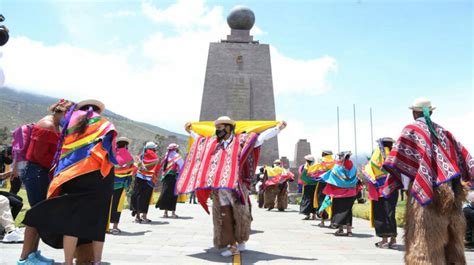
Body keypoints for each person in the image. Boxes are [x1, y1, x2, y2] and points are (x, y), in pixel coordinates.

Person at [19, 99, 117, 265]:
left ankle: (43, 256)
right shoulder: (49, 125)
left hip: (63, 174)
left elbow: (61, 152)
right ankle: (25, 257)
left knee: (53, 216)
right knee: (39, 214)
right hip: (42, 173)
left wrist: (64, 171)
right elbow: (41, 156)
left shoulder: (67, 125)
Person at [177, 117, 286, 257]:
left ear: (228, 128)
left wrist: (278, 129)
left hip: (236, 187)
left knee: (240, 215)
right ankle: (233, 244)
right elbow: (200, 140)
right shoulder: (213, 143)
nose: (218, 130)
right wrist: (190, 131)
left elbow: (260, 139)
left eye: (220, 127)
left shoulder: (241, 141)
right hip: (220, 189)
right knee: (225, 215)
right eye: (217, 128)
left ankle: (239, 243)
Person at [382, 98, 473, 265]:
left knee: (424, 242)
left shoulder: (411, 129)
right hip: (451, 193)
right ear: (431, 112)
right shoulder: (444, 132)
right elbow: (465, 158)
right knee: (454, 244)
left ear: (414, 112)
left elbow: (396, 161)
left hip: (426, 194)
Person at [363, 137, 398, 248]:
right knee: (391, 213)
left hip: (381, 189)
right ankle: (393, 240)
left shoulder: (377, 155)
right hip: (393, 188)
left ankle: (384, 240)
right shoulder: (394, 155)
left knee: (382, 214)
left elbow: (371, 166)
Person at [319, 151, 358, 236]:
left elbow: (331, 179)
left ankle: (340, 230)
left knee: (339, 211)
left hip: (339, 194)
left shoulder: (337, 167)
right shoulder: (353, 168)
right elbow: (356, 180)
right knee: (348, 212)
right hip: (351, 193)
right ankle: (349, 231)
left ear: (340, 157)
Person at [110, 137, 135, 234]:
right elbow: (130, 172)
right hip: (121, 186)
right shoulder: (129, 157)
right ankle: (115, 226)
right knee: (117, 205)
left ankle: (105, 226)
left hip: (109, 184)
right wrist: (127, 184)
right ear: (126, 145)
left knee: (108, 204)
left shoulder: (112, 154)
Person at [131, 141, 160, 223]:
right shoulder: (155, 157)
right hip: (149, 180)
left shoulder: (141, 156)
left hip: (139, 178)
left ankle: (137, 216)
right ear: (153, 149)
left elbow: (136, 166)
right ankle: (144, 216)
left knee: (138, 196)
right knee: (145, 197)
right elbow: (157, 169)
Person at [156, 143, 184, 218]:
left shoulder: (166, 155)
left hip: (165, 177)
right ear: (176, 149)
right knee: (173, 195)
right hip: (174, 177)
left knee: (166, 193)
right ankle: (173, 212)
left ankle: (165, 212)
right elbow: (182, 166)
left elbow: (162, 165)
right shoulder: (177, 156)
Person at [308, 150, 335, 227]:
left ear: (324, 154)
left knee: (322, 201)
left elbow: (312, 170)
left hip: (322, 185)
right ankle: (332, 222)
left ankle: (322, 221)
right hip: (332, 184)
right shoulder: (334, 162)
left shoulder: (320, 161)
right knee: (332, 202)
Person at [299, 155, 318, 220]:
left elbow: (302, 176)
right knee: (313, 200)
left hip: (308, 186)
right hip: (315, 186)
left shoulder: (305, 168)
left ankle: (308, 215)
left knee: (308, 200)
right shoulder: (316, 167)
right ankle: (313, 215)